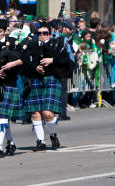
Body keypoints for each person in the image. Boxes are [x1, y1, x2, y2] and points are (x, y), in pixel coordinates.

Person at [22, 22, 70, 151]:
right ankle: (41, 142)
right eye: (39, 33)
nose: (42, 36)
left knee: (48, 114)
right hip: (36, 80)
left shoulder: (57, 45)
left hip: (52, 80)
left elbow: (66, 60)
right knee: (36, 113)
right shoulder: (31, 46)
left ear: (50, 34)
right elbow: (25, 63)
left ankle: (53, 134)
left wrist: (52, 60)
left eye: (45, 33)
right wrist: (35, 67)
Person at [0, 19, 23, 158]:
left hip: (10, 83)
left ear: (6, 31)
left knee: (2, 115)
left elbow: (24, 59)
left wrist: (12, 64)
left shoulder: (13, 43)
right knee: (2, 116)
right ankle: (11, 143)